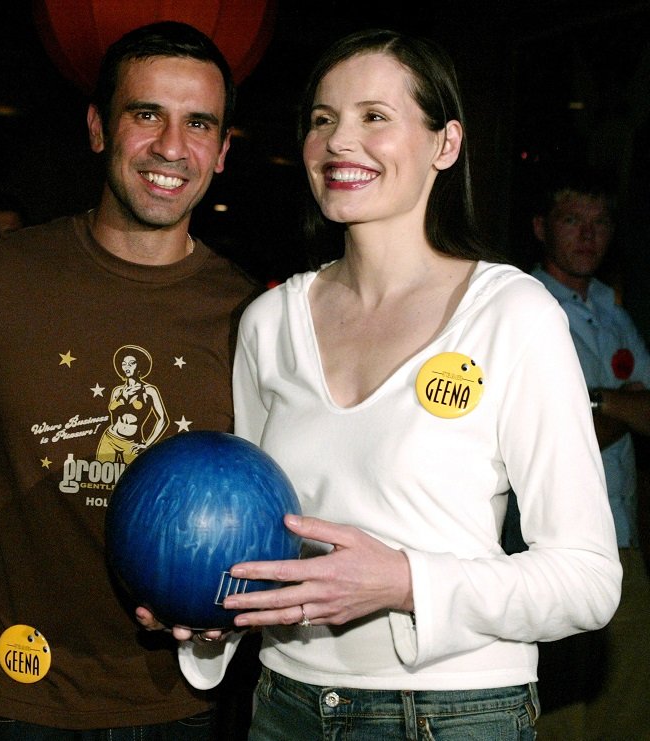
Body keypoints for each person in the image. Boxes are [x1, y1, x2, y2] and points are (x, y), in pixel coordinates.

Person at [159, 28, 622, 740]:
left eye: (375, 116)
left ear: (446, 144)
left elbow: (589, 580)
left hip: (455, 711)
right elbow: (257, 547)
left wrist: (408, 581)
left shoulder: (511, 313)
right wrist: (205, 612)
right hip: (285, 705)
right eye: (323, 119)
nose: (341, 140)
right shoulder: (268, 322)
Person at [0, 21, 260, 739]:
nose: (170, 147)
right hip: (7, 689)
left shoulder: (257, 317)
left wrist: (224, 633)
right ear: (98, 128)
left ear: (220, 153)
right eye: (146, 113)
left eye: (199, 124)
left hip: (177, 703)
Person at [529, 168, 650, 740]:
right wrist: (617, 407)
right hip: (549, 544)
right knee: (558, 715)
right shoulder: (525, 307)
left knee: (626, 708)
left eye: (600, 222)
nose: (588, 236)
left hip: (623, 541)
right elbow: (557, 434)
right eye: (573, 220)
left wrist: (595, 402)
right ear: (540, 228)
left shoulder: (610, 305)